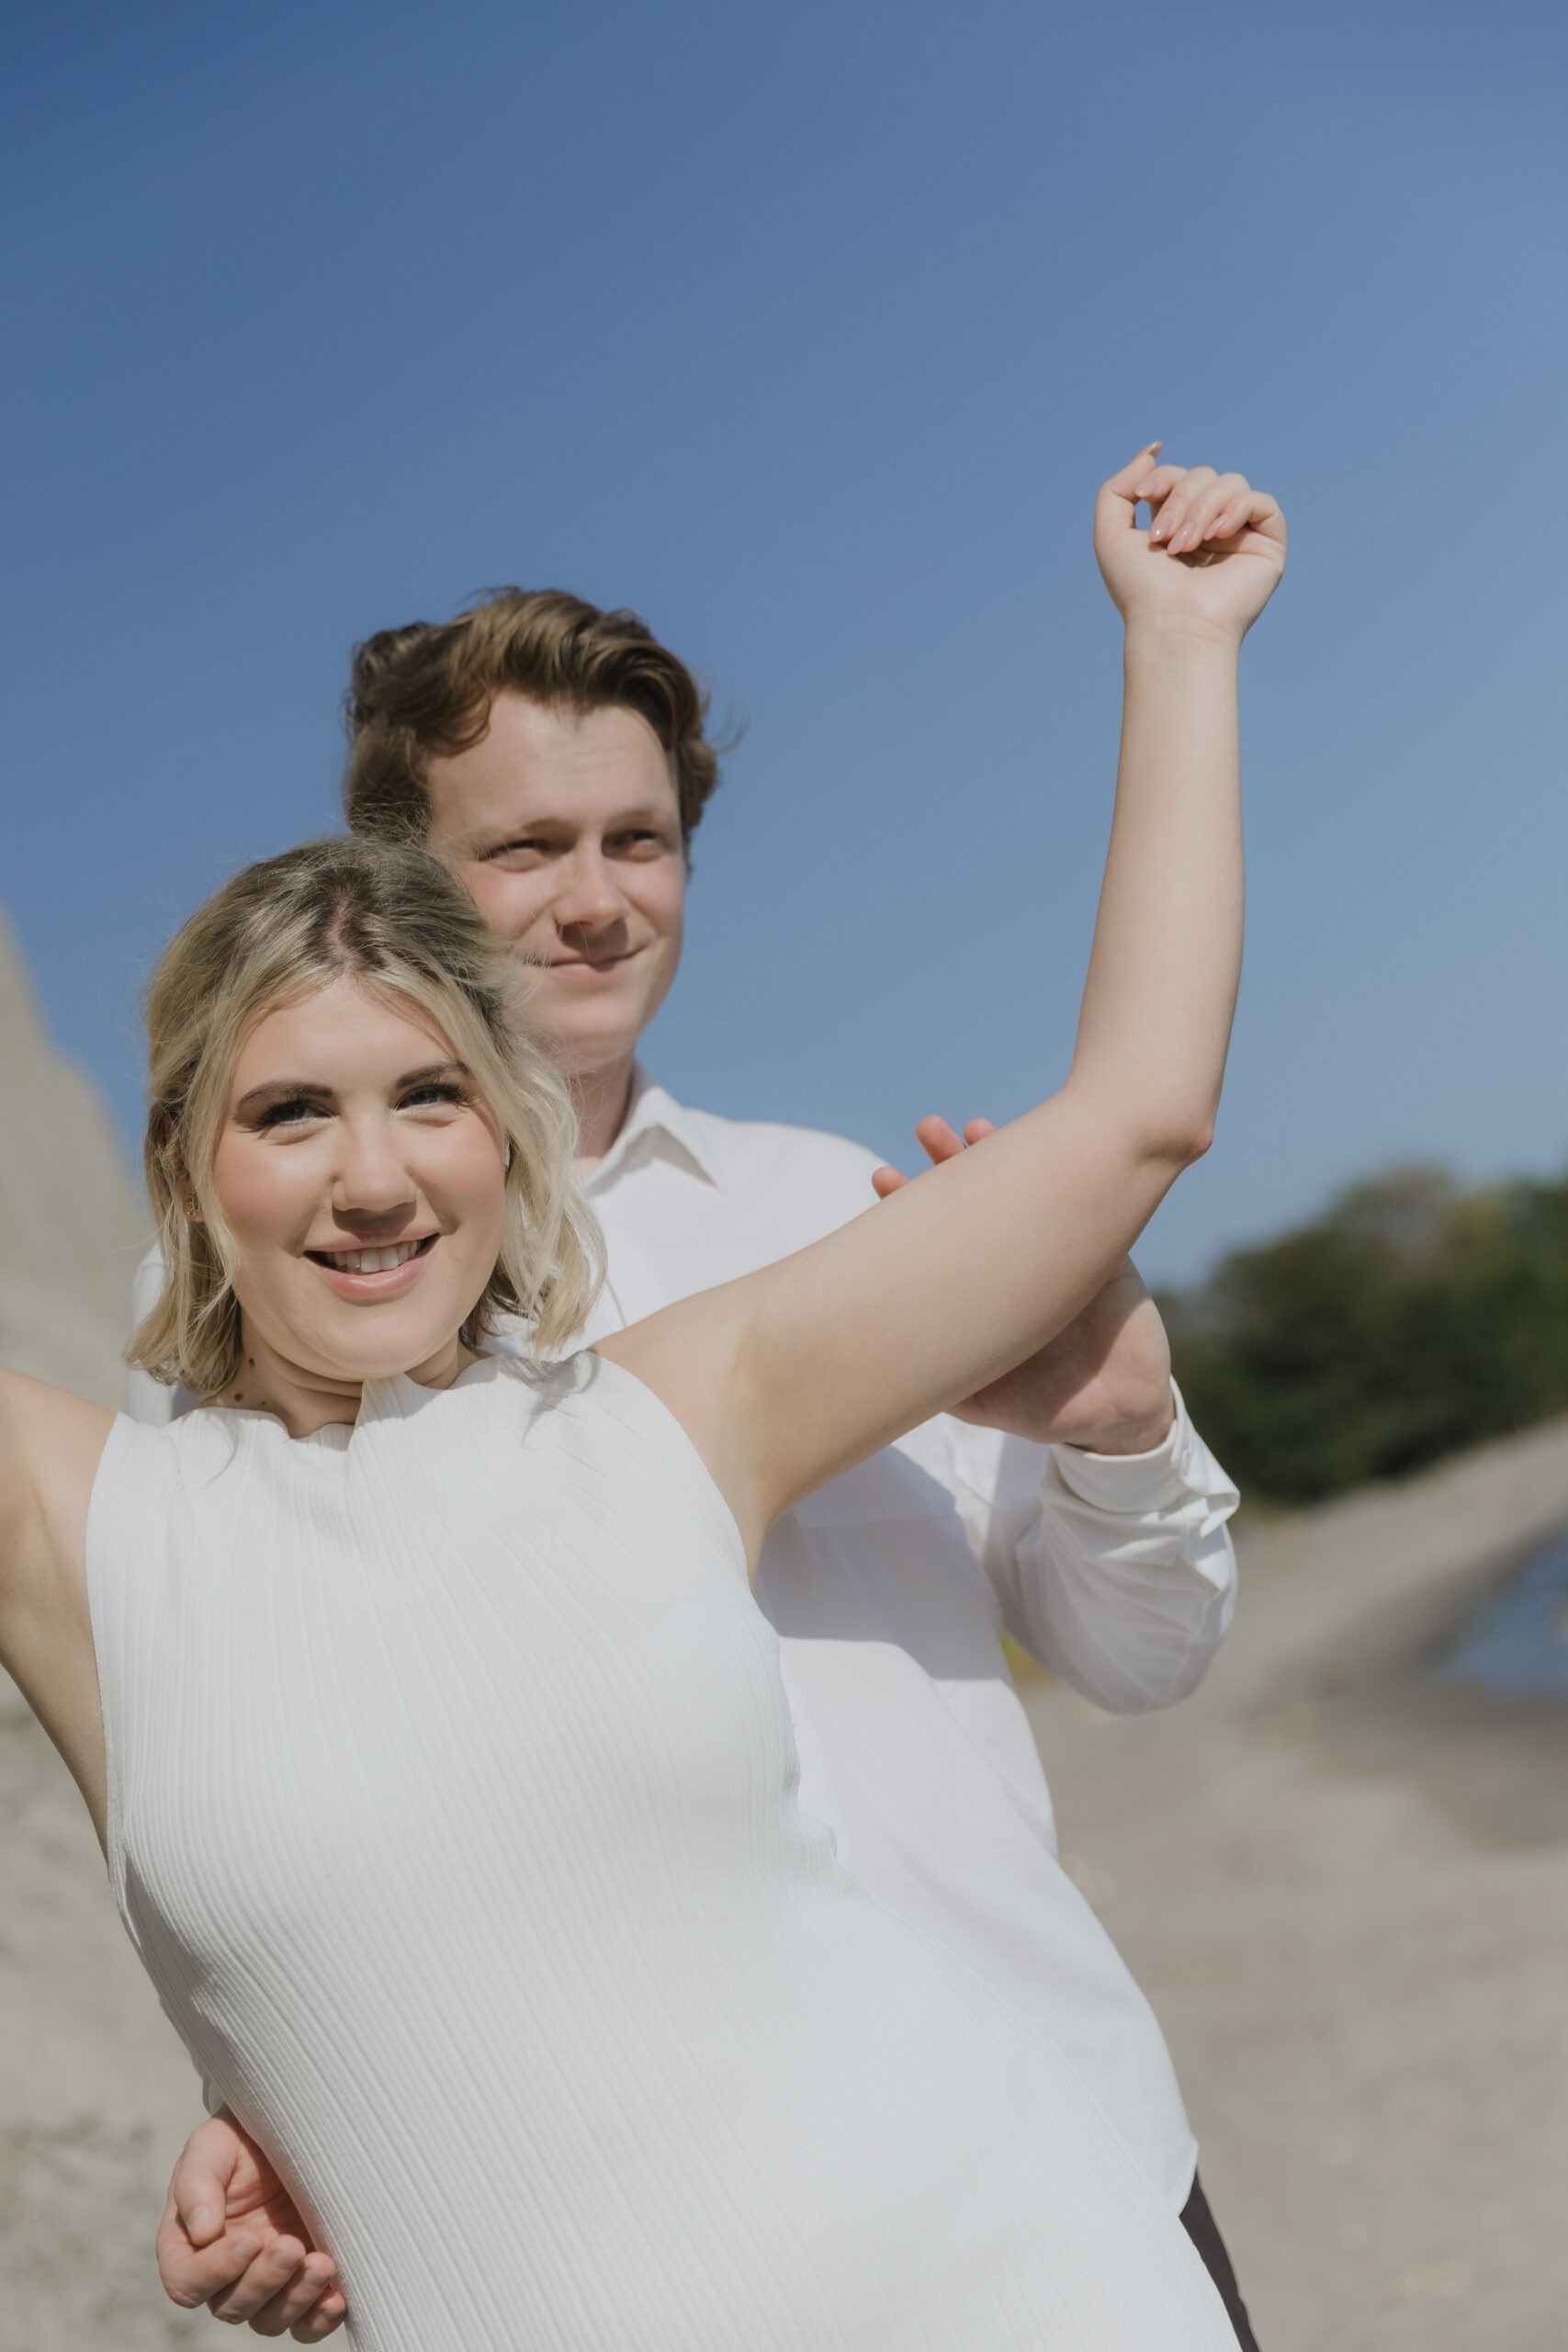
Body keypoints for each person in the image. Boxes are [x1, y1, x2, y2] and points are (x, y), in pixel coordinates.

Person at [0, 442, 1289, 2349]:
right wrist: (267, 2094)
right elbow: (273, 1809)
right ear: (193, 1162)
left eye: (639, 839)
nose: (595, 902)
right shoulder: (139, 1479)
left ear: (497, 1141)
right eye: (525, 848)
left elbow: (1136, 1115)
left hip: (1033, 2183)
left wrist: (1179, 644)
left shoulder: (736, 1323)